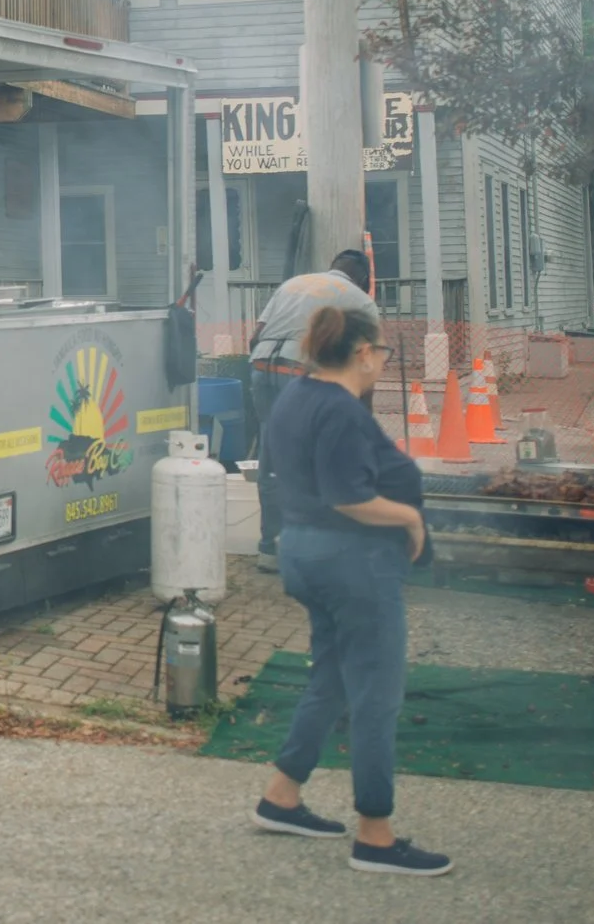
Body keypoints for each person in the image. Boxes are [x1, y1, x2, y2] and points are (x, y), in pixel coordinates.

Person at [249, 305, 451, 877]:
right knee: (376, 695)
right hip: (352, 561)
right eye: (383, 350)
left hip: (305, 551)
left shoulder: (297, 396)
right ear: (362, 352)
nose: (384, 360)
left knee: (332, 676)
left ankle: (281, 797)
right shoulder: (339, 409)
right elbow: (349, 496)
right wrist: (410, 520)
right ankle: (376, 836)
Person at [248, 249, 378, 570]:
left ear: (332, 267)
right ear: (363, 278)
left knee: (272, 457)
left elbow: (254, 338)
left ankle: (269, 548)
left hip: (262, 367)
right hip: (299, 372)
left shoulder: (293, 284)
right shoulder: (360, 299)